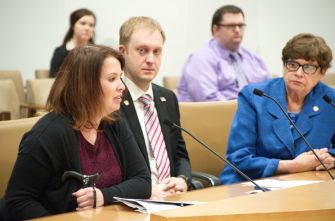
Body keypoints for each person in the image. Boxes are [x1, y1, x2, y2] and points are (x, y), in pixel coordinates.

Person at [3, 45, 151, 220]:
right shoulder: (47, 135)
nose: (122, 87)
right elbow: (17, 202)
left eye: (120, 78)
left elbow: (143, 182)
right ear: (86, 85)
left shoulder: (115, 123)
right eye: (112, 79)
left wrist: (103, 196)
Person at [220, 33, 335, 184]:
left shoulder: (330, 100)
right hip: (252, 183)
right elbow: (239, 158)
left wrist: (331, 158)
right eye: (293, 64)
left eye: (308, 67)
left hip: (308, 184)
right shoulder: (255, 96)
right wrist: (293, 166)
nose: (298, 73)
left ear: (323, 72)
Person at [118, 16, 192, 199]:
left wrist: (182, 179)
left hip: (173, 198)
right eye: (142, 51)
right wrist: (144, 191)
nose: (151, 59)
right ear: (122, 52)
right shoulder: (112, 100)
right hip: (134, 202)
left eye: (157, 52)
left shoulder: (167, 98)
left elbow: (180, 154)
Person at [177, 5, 270, 102]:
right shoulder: (200, 59)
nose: (237, 30)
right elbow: (211, 101)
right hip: (217, 115)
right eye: (231, 26)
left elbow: (271, 91)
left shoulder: (253, 58)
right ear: (216, 29)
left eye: (241, 25)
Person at [49, 8, 96, 77]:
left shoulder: (97, 52)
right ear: (73, 26)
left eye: (91, 25)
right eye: (83, 23)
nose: (87, 28)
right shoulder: (60, 52)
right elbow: (54, 78)